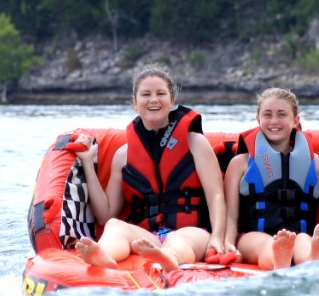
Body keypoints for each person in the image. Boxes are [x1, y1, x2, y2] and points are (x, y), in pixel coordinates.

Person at [71, 65, 228, 270]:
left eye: (160, 93)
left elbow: (216, 195)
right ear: (135, 103)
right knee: (114, 226)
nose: (153, 99)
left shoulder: (195, 142)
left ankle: (169, 257)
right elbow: (106, 214)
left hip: (193, 233)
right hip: (147, 238)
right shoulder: (123, 155)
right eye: (146, 94)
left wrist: (217, 238)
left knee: (178, 240)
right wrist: (87, 164)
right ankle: (105, 255)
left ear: (172, 100)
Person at [223, 87, 319, 270]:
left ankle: (312, 257)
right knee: (265, 244)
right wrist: (228, 243)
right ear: (258, 120)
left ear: (295, 120)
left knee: (304, 240)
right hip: (253, 236)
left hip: (299, 234)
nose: (274, 121)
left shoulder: (313, 162)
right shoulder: (240, 163)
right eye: (267, 115)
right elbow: (230, 215)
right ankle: (277, 257)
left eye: (281, 115)